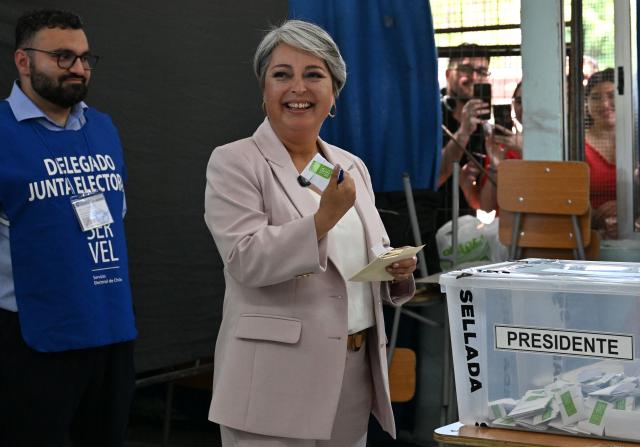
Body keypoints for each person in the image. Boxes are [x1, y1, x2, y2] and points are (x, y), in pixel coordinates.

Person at [204, 20, 417, 446]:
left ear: (334, 92)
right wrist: (322, 220)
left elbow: (360, 256)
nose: (298, 88)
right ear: (264, 91)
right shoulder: (234, 162)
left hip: (353, 376)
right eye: (282, 75)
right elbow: (246, 258)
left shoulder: (350, 166)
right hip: (272, 383)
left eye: (314, 75)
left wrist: (394, 269)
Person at [0, 9, 136, 447]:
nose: (79, 68)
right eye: (62, 57)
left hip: (108, 329)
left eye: (84, 57)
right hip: (31, 339)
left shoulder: (103, 128)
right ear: (23, 61)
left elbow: (116, 215)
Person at [438, 43, 491, 223]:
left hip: (466, 231)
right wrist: (464, 131)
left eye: (482, 72)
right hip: (427, 225)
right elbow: (433, 178)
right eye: (466, 69)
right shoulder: (430, 116)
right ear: (448, 74)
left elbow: (485, 205)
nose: (474, 77)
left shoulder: (483, 127)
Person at [584, 68, 617, 239]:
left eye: (612, 95)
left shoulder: (635, 142)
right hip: (592, 236)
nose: (604, 104)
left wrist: (628, 210)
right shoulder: (577, 145)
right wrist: (595, 219)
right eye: (596, 97)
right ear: (587, 103)